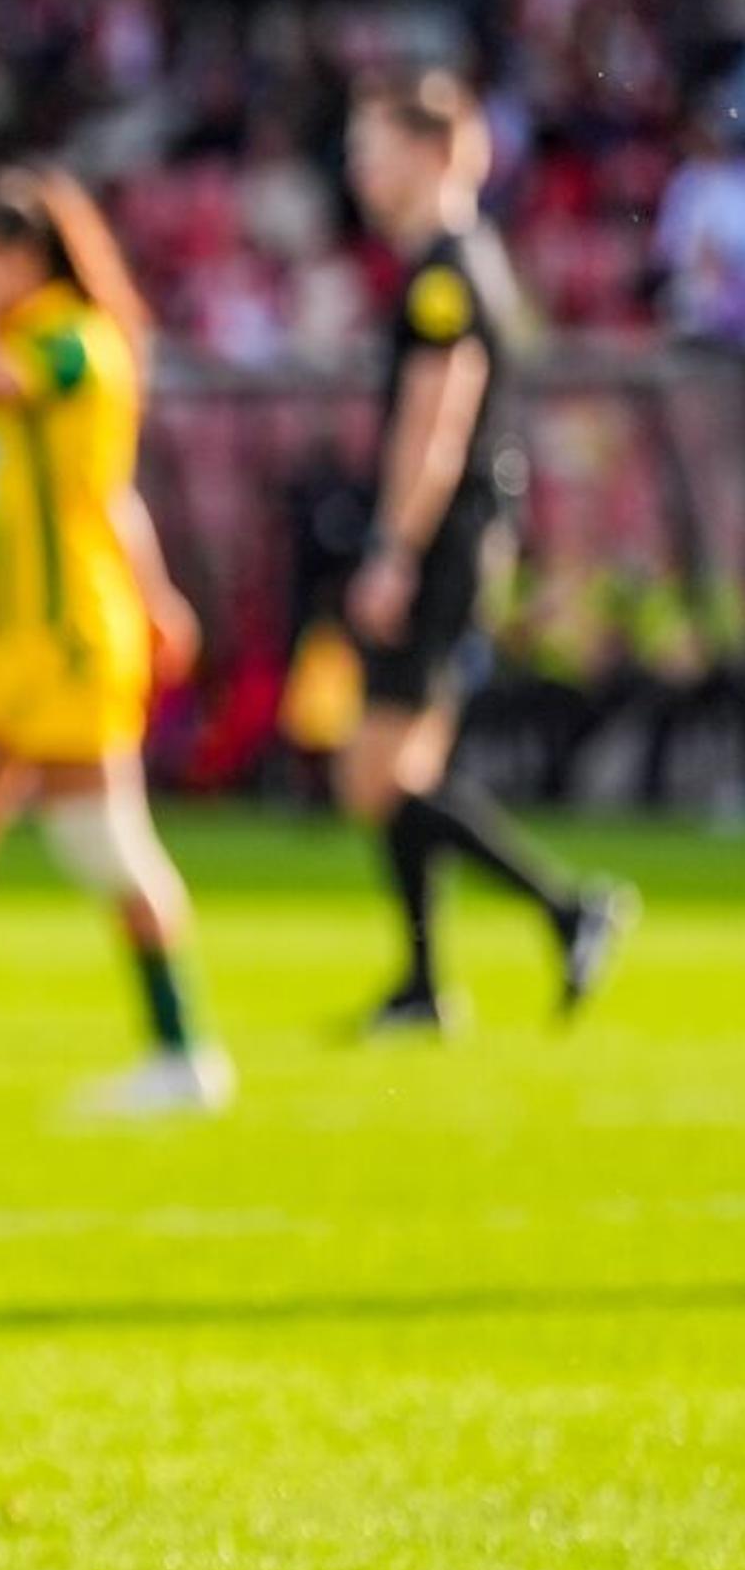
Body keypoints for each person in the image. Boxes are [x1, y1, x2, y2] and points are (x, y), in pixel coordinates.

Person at [0, 168, 230, 1115]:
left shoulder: (71, 344)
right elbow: (113, 495)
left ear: (20, 259)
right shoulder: (27, 336)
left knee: (101, 844)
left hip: (66, 636)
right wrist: (161, 590)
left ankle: (182, 1050)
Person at [337, 73, 632, 1035]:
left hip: (440, 537)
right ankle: (424, 984)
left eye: (373, 147)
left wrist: (392, 547)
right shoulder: (458, 261)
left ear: (430, 153)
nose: (359, 167)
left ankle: (565, 906)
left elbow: (436, 421)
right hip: (457, 535)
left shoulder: (443, 274)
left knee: (377, 776)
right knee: (400, 765)